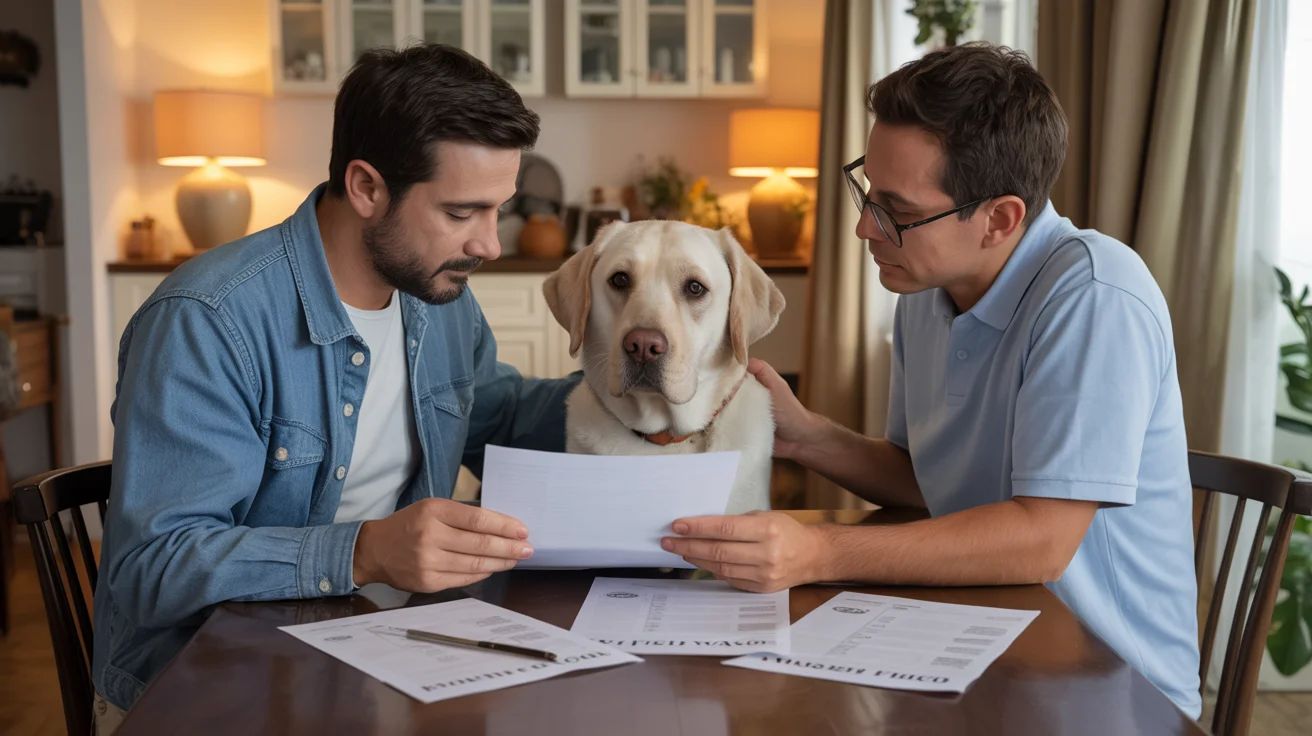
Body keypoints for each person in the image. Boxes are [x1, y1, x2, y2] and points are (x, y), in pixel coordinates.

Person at [661, 42, 1201, 717]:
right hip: (979, 640)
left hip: (1108, 688)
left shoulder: (1093, 295)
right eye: (866, 190)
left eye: (898, 211)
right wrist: (803, 435)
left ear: (999, 218)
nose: (864, 227)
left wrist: (819, 550)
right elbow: (930, 478)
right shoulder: (923, 290)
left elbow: (1041, 538)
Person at [92, 44, 578, 730]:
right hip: (209, 688)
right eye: (462, 212)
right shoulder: (209, 320)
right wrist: (365, 550)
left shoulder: (436, 299)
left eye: (499, 209)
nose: (490, 245)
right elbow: (154, 569)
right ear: (367, 188)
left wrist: (645, 397)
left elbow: (498, 412)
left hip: (381, 658)